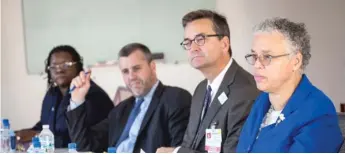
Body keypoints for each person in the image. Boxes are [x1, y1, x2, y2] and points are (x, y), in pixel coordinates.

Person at [156, 10, 259, 153]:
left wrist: (175, 153)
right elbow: (189, 144)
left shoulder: (245, 91)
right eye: (188, 42)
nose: (193, 48)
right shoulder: (201, 89)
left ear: (224, 44)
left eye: (200, 39)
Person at [236, 17, 343, 152]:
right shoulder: (261, 100)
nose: (257, 64)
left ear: (296, 61)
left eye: (267, 56)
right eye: (254, 56)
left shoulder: (318, 112)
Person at [66, 43, 192, 153]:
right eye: (125, 71)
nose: (131, 77)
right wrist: (77, 99)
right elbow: (84, 145)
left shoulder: (175, 98)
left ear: (153, 67)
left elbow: (180, 150)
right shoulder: (121, 109)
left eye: (136, 69)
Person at [15, 45, 114, 148]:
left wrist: (38, 136)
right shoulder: (53, 93)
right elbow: (47, 124)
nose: (59, 70)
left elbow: (81, 140)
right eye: (54, 66)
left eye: (66, 65)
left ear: (78, 67)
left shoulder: (91, 96)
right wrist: (28, 132)